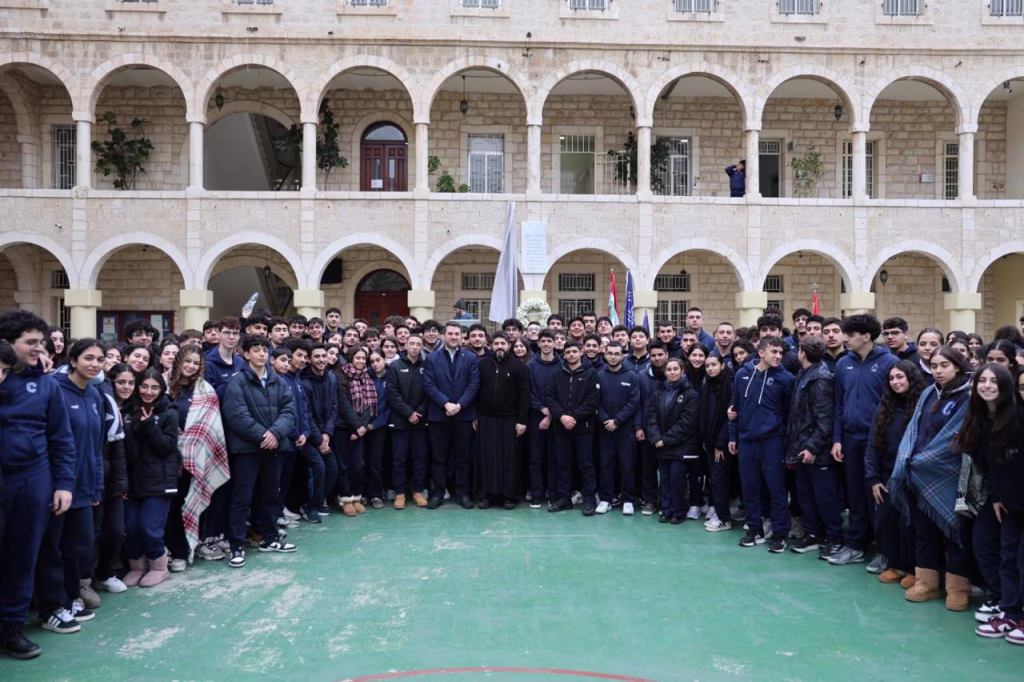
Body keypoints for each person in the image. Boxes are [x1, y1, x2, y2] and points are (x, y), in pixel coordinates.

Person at [0, 312, 77, 659]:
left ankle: (11, 628)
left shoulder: (46, 384)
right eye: (30, 342)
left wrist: (64, 484)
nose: (39, 349)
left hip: (32, 478)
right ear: (7, 344)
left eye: (41, 343)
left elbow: (61, 438)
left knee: (22, 557)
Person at [888, 347, 972, 610]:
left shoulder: (968, 397)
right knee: (924, 531)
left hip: (950, 475)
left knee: (953, 532)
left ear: (957, 366)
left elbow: (955, 438)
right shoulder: (927, 393)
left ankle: (958, 587)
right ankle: (927, 582)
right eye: (934, 366)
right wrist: (907, 458)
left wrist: (923, 461)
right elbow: (913, 431)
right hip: (918, 475)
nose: (938, 371)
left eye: (944, 365)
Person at [36, 339, 105, 634]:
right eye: (88, 358)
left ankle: (69, 597)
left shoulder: (95, 394)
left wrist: (97, 485)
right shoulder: (55, 390)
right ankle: (51, 608)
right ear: (73, 360)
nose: (94, 364)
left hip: (85, 488)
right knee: (53, 548)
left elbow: (97, 445)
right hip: (58, 487)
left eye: (99, 359)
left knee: (80, 545)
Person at [222, 334, 298, 568]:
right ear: (246, 354)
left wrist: (275, 433)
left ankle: (270, 538)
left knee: (270, 496)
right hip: (247, 450)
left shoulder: (278, 381)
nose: (262, 354)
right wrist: (264, 436)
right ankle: (236, 545)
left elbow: (289, 411)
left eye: (265, 350)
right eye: (256, 350)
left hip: (274, 448)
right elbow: (237, 415)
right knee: (242, 498)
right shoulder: (237, 382)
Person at [829, 314, 899, 567]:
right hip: (850, 439)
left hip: (878, 442)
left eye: (850, 335)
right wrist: (837, 439)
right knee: (856, 496)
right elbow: (838, 404)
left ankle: (886, 550)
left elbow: (895, 405)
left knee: (879, 497)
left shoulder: (890, 363)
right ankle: (855, 545)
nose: (845, 339)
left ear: (867, 337)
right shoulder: (843, 364)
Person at [965, 364, 1024, 642]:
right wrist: (998, 497)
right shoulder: (981, 420)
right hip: (1012, 505)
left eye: (994, 381)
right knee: (1008, 559)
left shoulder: (1018, 419)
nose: (987, 385)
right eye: (982, 380)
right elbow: (989, 466)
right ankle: (1011, 613)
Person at [730, 336, 795, 552]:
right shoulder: (742, 374)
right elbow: (735, 408)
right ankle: (754, 530)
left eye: (780, 353)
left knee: (777, 490)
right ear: (761, 352)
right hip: (747, 440)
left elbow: (789, 414)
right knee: (750, 489)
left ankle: (779, 534)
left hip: (772, 442)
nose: (778, 356)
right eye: (773, 352)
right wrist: (733, 436)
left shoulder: (786, 379)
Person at [166, 345, 229, 562]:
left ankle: (187, 548)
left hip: (196, 456)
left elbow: (212, 426)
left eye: (196, 363)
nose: (191, 366)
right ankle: (171, 549)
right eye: (187, 361)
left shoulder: (206, 390)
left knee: (189, 500)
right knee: (170, 505)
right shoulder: (162, 384)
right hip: (164, 456)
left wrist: (192, 444)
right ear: (178, 361)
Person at [865, 361, 926, 586]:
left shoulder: (923, 406)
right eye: (891, 378)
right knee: (885, 521)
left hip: (912, 477)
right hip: (886, 476)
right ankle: (895, 564)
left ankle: (912, 568)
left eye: (900, 377)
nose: (895, 382)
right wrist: (873, 478)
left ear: (911, 378)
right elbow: (873, 444)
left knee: (908, 525)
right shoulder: (885, 407)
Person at [121, 367, 181, 589]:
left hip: (160, 481)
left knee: (149, 527)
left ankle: (159, 566)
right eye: (144, 386)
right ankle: (137, 566)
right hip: (133, 480)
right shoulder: (128, 410)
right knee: (130, 527)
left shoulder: (169, 412)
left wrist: (150, 426)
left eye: (155, 387)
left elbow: (167, 448)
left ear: (161, 389)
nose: (149, 391)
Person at [786, 337, 842, 558]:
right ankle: (812, 534)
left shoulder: (820, 379)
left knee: (825, 496)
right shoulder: (804, 374)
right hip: (801, 448)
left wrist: (812, 447)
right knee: (805, 495)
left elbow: (824, 419)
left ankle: (834, 538)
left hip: (816, 452)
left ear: (802, 353)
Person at [423, 322, 480, 509]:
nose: (454, 337)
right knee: (438, 458)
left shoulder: (471, 358)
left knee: (463, 457)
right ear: (443, 336)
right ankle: (438, 493)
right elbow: (429, 385)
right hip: (439, 415)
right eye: (450, 333)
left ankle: (463, 494)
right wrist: (446, 403)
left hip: (464, 415)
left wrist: (460, 405)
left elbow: (474, 385)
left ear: (462, 336)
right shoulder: (432, 358)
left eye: (457, 334)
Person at [474, 333, 530, 509]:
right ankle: (488, 495)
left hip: (510, 419)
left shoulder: (519, 367)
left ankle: (509, 496)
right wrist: (475, 415)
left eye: (503, 343)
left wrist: (522, 420)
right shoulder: (482, 364)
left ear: (509, 345)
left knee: (509, 459)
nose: (499, 346)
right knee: (488, 458)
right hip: (486, 418)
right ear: (491, 345)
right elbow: (476, 390)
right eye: (496, 343)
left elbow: (524, 394)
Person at [546, 341, 601, 516]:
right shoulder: (557, 374)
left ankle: (589, 499)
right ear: (564, 354)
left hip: (584, 428)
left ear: (581, 352)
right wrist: (562, 416)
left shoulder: (591, 373)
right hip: (561, 427)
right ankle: (564, 498)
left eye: (574, 351)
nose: (571, 354)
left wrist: (574, 417)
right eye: (568, 352)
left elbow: (593, 400)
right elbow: (550, 398)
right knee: (563, 464)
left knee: (586, 465)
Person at [647, 358, 700, 525]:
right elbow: (652, 416)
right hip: (661, 446)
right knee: (664, 478)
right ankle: (666, 509)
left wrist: (665, 440)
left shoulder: (691, 394)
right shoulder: (658, 391)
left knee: (677, 479)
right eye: (669, 369)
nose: (672, 372)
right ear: (665, 372)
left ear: (682, 371)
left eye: (675, 369)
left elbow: (687, 423)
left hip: (681, 446)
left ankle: (678, 511)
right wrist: (656, 438)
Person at [596, 341, 641, 516]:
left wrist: (618, 420)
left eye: (617, 353)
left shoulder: (632, 377)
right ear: (605, 354)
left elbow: (634, 402)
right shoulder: (599, 376)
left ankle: (628, 500)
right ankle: (606, 499)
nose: (613, 357)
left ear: (623, 355)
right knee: (605, 465)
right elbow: (595, 401)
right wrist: (606, 420)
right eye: (610, 353)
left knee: (627, 465)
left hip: (625, 429)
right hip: (605, 429)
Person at [386, 333, 429, 510]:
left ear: (422, 346)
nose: (415, 347)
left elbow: (429, 392)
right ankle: (400, 493)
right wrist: (408, 413)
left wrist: (418, 413)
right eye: (412, 343)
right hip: (400, 421)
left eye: (418, 344)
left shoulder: (427, 366)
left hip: (420, 421)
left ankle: (418, 491)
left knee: (420, 458)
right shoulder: (395, 366)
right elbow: (392, 394)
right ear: (405, 345)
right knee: (399, 459)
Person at [335, 346, 376, 517]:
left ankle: (356, 496)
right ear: (351, 358)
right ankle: (345, 498)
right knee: (343, 465)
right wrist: (356, 426)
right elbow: (343, 405)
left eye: (363, 358)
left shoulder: (366, 377)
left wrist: (361, 428)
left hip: (359, 430)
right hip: (342, 427)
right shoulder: (340, 376)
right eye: (357, 358)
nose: (360, 361)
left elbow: (368, 406)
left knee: (358, 465)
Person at [300, 343, 337, 517]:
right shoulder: (304, 382)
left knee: (333, 469)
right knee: (318, 468)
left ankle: (319, 500)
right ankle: (310, 506)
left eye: (324, 356)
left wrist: (327, 433)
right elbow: (306, 414)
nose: (321, 359)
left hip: (325, 434)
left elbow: (334, 407)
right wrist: (319, 439)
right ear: (309, 359)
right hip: (309, 436)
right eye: (317, 356)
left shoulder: (332, 378)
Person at [526, 329, 562, 510]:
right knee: (536, 458)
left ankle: (553, 495)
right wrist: (542, 409)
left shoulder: (562, 365)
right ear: (539, 343)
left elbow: (563, 393)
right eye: (543, 341)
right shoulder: (530, 366)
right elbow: (528, 392)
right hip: (536, 418)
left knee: (554, 459)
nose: (546, 344)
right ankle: (536, 494)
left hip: (556, 419)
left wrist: (550, 414)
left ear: (555, 343)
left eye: (549, 341)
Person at [699, 353, 734, 532]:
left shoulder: (730, 385)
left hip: (723, 443)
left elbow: (730, 419)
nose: (711, 368)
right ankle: (720, 514)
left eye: (714, 365)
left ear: (722, 365)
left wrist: (720, 443)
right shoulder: (707, 384)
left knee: (719, 479)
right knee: (714, 478)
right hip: (710, 442)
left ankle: (724, 518)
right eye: (707, 366)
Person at [364, 350, 391, 509]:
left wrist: (375, 424)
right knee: (361, 461)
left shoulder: (391, 377)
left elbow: (390, 407)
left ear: (384, 359)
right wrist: (363, 424)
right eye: (372, 361)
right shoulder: (365, 377)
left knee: (376, 462)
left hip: (379, 427)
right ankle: (362, 493)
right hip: (362, 426)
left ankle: (376, 494)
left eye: (378, 360)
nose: (375, 364)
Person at [204, 316, 245, 400]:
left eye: (235, 333)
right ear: (219, 334)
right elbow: (210, 397)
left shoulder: (240, 362)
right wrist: (234, 381)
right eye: (227, 332)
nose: (231, 337)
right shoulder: (208, 364)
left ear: (239, 336)